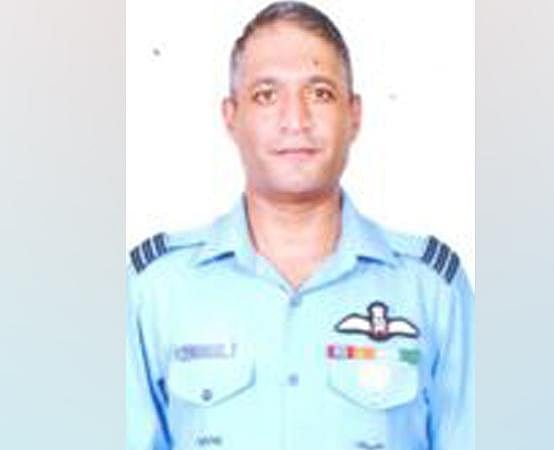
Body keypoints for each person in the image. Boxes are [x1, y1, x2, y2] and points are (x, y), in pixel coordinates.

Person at [126, 2, 474, 449]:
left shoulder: (432, 291)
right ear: (231, 116)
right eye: (266, 95)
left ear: (354, 114)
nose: (295, 120)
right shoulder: (155, 291)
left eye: (320, 93)